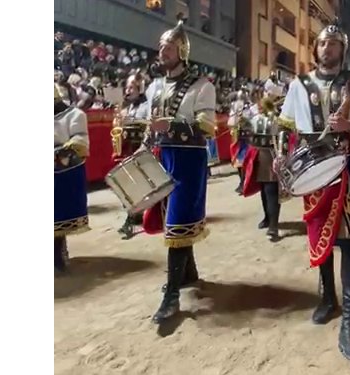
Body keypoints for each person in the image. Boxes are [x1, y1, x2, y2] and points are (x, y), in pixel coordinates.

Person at [277, 21, 350, 362]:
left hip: (347, 166)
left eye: (333, 43)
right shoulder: (298, 85)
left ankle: (349, 322)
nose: (327, 48)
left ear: (342, 50)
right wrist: (281, 158)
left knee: (346, 240)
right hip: (312, 170)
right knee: (320, 236)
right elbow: (286, 128)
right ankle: (327, 296)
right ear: (314, 49)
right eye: (322, 43)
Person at [139, 20, 217, 324]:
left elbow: (207, 128)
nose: (163, 50)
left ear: (182, 50)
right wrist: (145, 145)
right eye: (161, 46)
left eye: (169, 46)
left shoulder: (202, 86)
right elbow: (151, 126)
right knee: (170, 215)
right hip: (162, 156)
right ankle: (188, 273)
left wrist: (172, 126)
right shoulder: (154, 87)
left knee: (178, 220)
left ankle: (171, 294)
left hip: (188, 160)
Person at [241, 81, 289, 241]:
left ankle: (274, 225)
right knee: (262, 188)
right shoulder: (255, 109)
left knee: (271, 189)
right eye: (267, 92)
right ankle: (267, 217)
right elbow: (247, 126)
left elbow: (282, 132)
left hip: (271, 152)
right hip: (257, 152)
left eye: (271, 93)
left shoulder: (280, 111)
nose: (268, 95)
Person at [54, 84, 90, 273]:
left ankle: (57, 255)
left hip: (62, 171)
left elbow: (80, 141)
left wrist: (59, 153)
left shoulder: (75, 115)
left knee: (57, 216)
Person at [112, 71, 150, 238]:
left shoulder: (146, 105)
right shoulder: (127, 108)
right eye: (127, 87)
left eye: (132, 87)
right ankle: (134, 215)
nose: (128, 90)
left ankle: (132, 218)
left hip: (142, 148)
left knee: (139, 185)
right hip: (128, 150)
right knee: (127, 184)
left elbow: (149, 123)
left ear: (140, 88)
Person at [227, 89, 251, 194]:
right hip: (236, 135)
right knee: (237, 160)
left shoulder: (248, 108)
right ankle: (242, 182)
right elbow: (232, 121)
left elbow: (248, 120)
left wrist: (242, 121)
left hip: (244, 136)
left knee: (243, 161)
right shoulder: (234, 106)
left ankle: (244, 183)